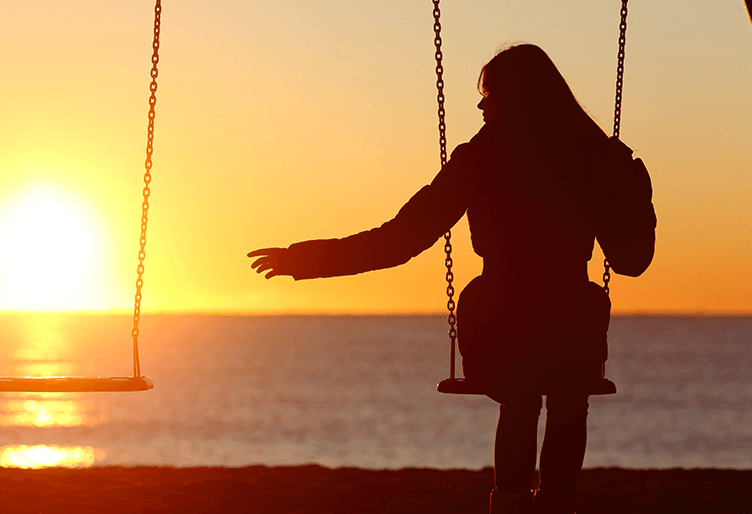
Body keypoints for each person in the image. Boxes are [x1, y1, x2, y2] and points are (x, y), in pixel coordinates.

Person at [248, 44, 655, 514]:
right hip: (569, 324)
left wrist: (305, 260)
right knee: (568, 399)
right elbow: (631, 260)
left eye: (489, 94)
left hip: (503, 322)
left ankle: (510, 505)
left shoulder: (480, 158)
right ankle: (559, 502)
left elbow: (399, 240)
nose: (481, 105)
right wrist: (632, 190)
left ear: (517, 97)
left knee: (521, 400)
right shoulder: (594, 156)